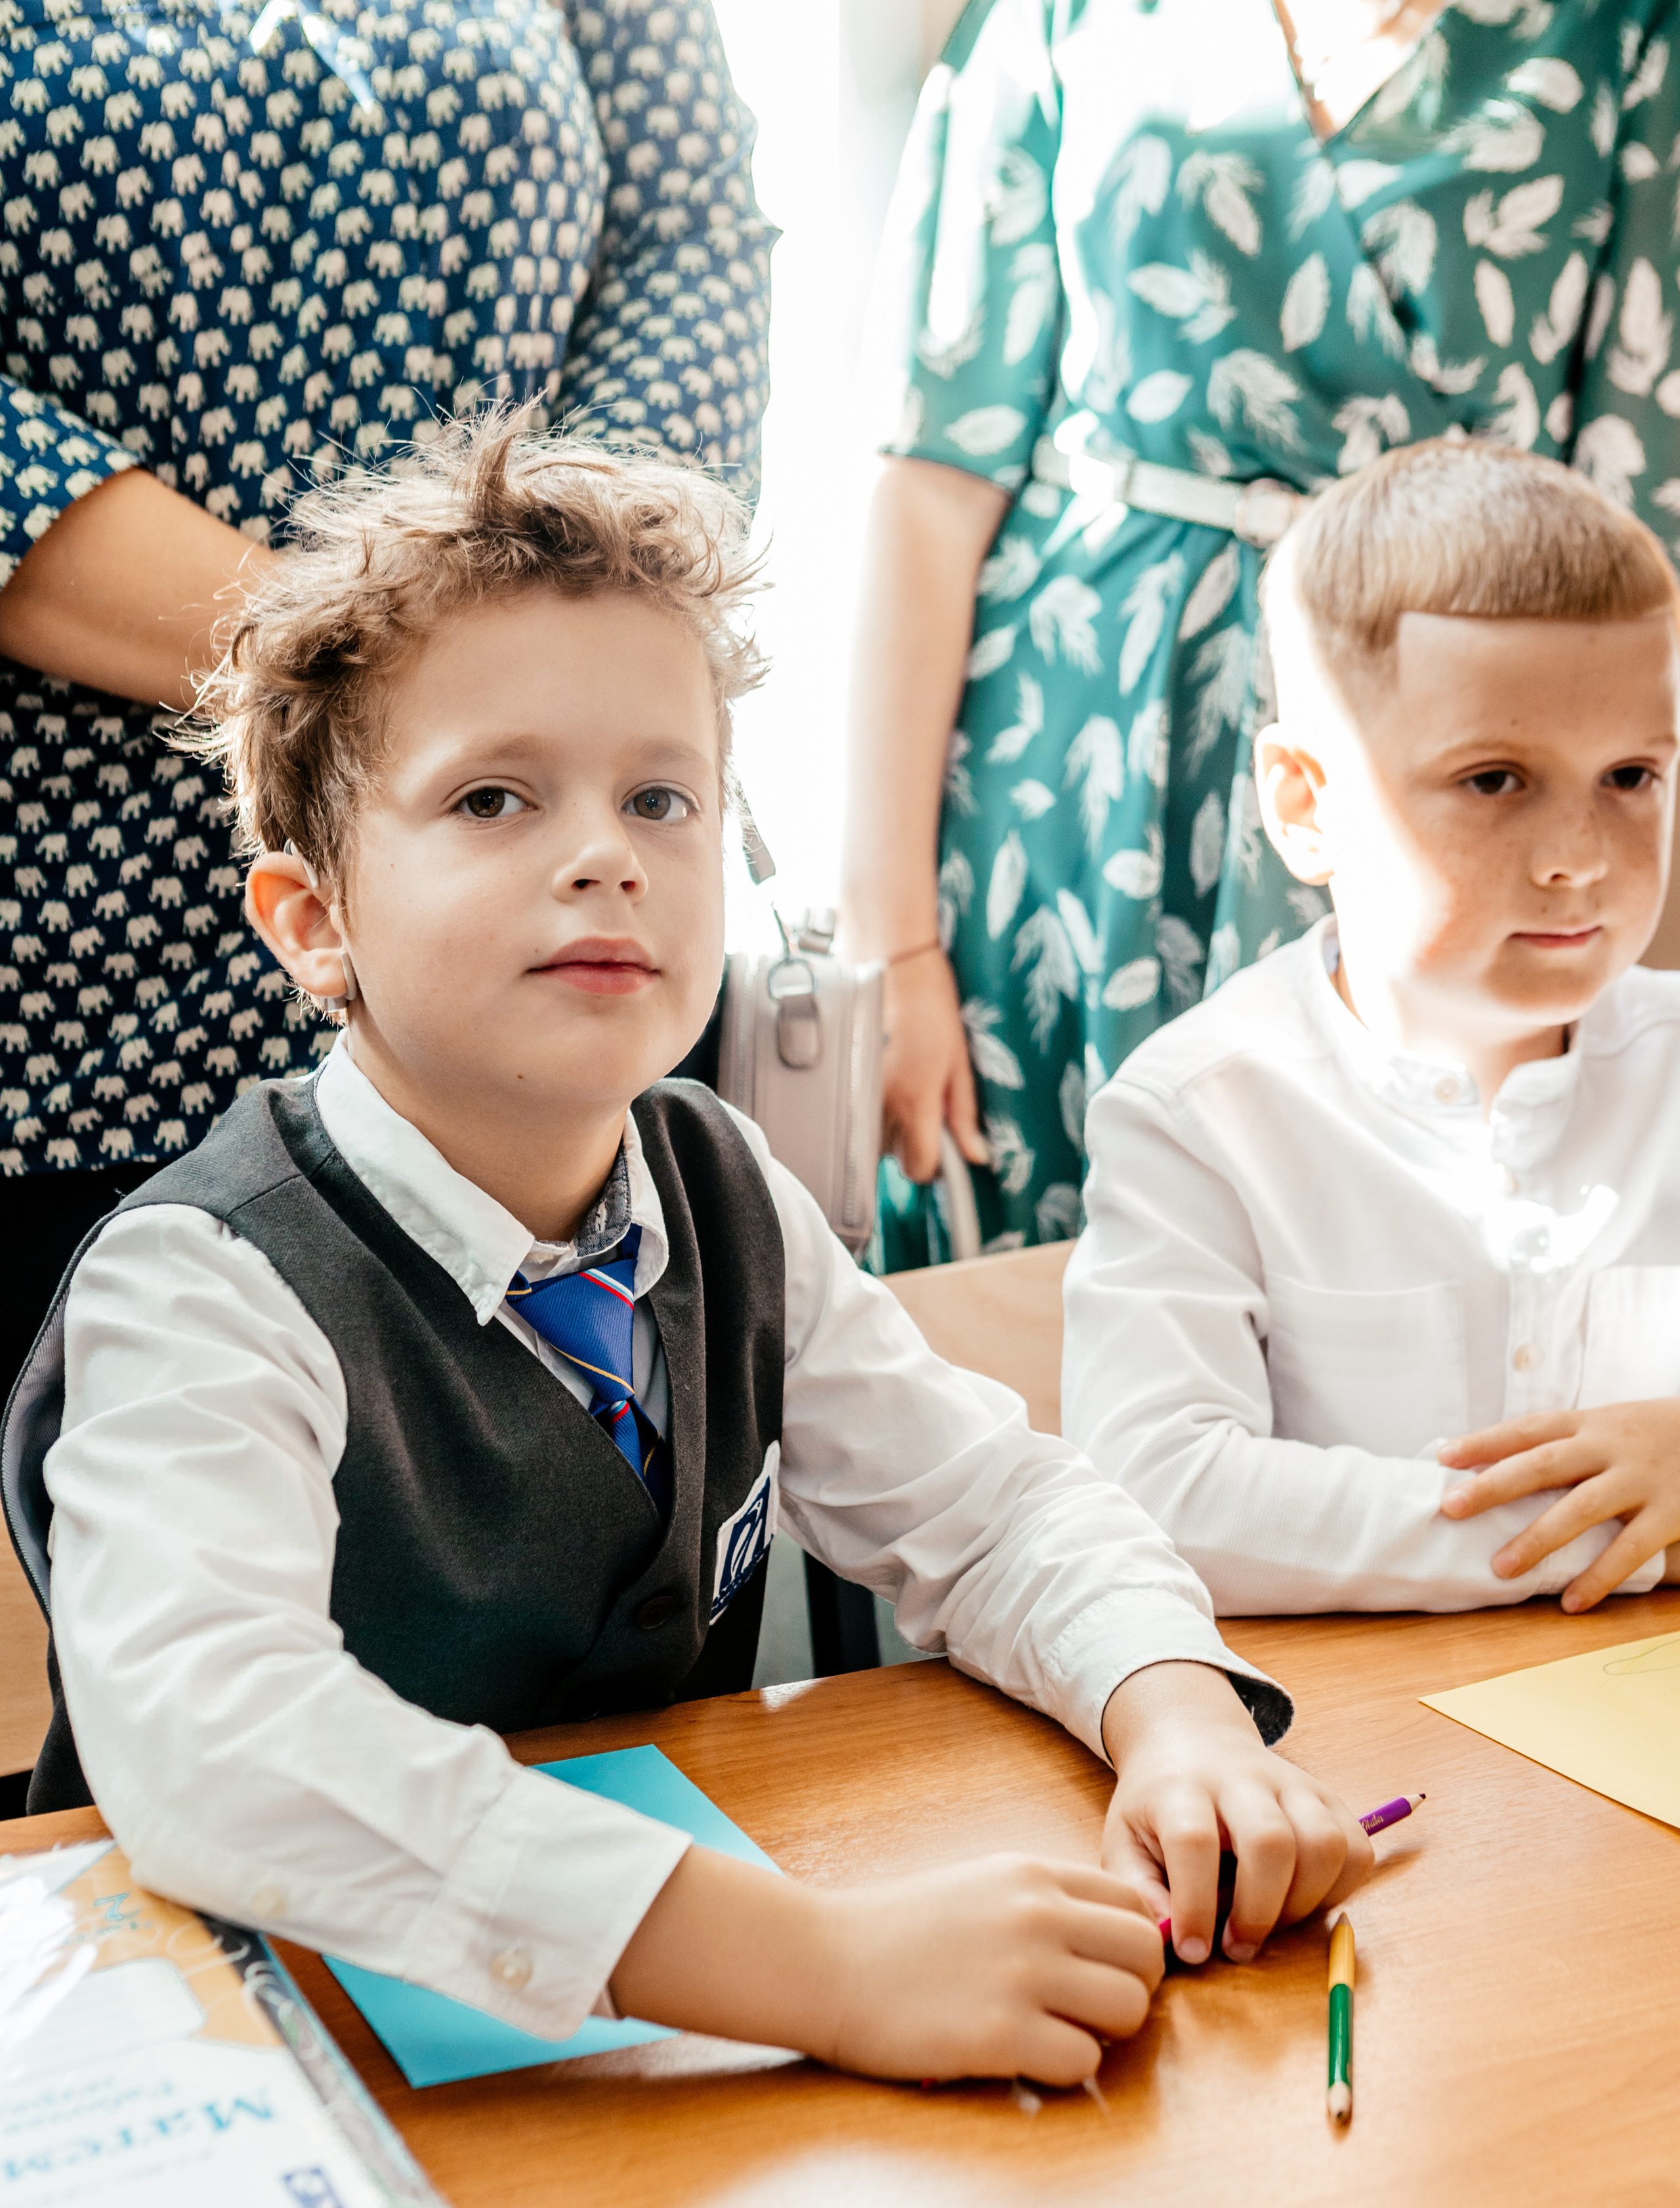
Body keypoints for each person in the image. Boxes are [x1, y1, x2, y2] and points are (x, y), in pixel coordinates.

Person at [3, 414, 1372, 2084]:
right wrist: (824, 1968)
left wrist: (1176, 1717)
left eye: (662, 797)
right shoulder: (202, 1283)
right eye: (492, 798)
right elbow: (219, 1749)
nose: (605, 856)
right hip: (246, 2066)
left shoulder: (722, 1187)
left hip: (633, 2059)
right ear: (314, 923)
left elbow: (992, 1509)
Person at [0, 0, 772, 1393]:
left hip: (549, 1008)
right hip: (76, 974)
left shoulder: (730, 1182)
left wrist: (551, 668)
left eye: (667, 801)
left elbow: (688, 242)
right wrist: (387, 690)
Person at [842, 0, 1680, 1270]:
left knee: (1392, 1283)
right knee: (1040, 1278)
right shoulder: (1063, 15)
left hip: (1454, 774)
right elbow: (932, 478)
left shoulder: (1624, 31)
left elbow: (1643, 527)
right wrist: (891, 936)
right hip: (1069, 772)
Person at [1063, 438, 1680, 1617]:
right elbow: (1156, 1497)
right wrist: (1625, 1524)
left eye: (1630, 777)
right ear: (1306, 805)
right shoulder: (1199, 1113)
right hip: (1353, 1726)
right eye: (1495, 780)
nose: (1578, 859)